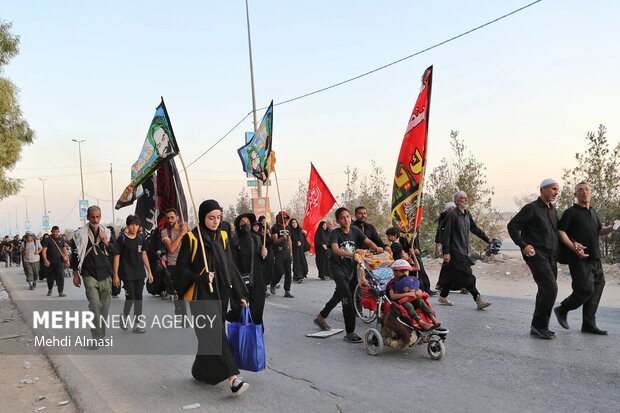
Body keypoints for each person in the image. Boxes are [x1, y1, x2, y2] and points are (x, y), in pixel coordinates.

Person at [174, 199, 250, 396]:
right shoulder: (191, 238)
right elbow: (180, 271)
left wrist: (239, 295)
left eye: (218, 217)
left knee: (209, 335)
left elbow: (229, 266)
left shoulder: (223, 236)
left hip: (220, 292)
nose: (215, 222)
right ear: (202, 218)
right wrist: (200, 277)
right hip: (201, 295)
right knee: (215, 334)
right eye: (211, 218)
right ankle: (233, 378)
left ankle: (200, 371)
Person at [553, 182, 615, 336]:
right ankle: (563, 309)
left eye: (586, 190)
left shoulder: (593, 212)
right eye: (580, 191)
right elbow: (561, 231)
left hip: (595, 257)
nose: (584, 193)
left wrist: (612, 228)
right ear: (575, 195)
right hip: (578, 258)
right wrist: (574, 246)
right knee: (585, 289)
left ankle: (588, 324)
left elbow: (599, 230)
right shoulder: (571, 212)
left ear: (591, 193)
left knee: (597, 288)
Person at [314, 207, 383, 343]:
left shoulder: (355, 230)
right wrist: (353, 254)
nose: (346, 220)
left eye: (348, 217)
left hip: (349, 269)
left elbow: (367, 241)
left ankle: (321, 317)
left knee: (338, 296)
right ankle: (350, 332)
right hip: (337, 269)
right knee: (347, 298)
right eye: (342, 218)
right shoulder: (335, 233)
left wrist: (377, 247)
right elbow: (335, 249)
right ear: (338, 221)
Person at [507, 178, 560, 339]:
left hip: (552, 256)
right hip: (536, 255)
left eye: (557, 190)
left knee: (545, 290)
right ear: (543, 190)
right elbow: (512, 226)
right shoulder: (531, 208)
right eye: (553, 189)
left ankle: (539, 326)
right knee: (551, 288)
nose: (556, 192)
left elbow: (557, 232)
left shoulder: (553, 210)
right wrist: (523, 245)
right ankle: (539, 326)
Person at [70, 206, 116, 346]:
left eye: (97, 217)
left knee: (105, 307)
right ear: (88, 217)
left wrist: (105, 241)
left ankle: (101, 333)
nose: (95, 220)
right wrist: (75, 275)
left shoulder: (107, 232)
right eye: (92, 217)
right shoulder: (79, 234)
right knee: (94, 305)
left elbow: (115, 251)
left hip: (105, 273)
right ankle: (97, 337)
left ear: (100, 216)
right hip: (89, 273)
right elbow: (75, 255)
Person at [439, 191, 492, 309]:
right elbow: (446, 235)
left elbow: (475, 228)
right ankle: (478, 299)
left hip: (463, 250)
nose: (465, 200)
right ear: (457, 201)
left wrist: (487, 239)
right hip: (454, 251)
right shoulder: (452, 215)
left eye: (466, 198)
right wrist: (446, 252)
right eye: (463, 198)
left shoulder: (467, 214)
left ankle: (442, 296)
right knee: (468, 274)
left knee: (453, 275)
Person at [113, 215, 154, 333]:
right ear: (127, 225)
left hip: (140, 273)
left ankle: (136, 324)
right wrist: (116, 275)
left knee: (139, 299)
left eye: (136, 225)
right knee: (130, 298)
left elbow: (144, 255)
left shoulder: (141, 238)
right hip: (127, 274)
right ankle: (124, 317)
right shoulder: (122, 239)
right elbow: (117, 257)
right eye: (132, 224)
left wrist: (149, 271)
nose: (134, 227)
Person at [230, 213, 267, 326]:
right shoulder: (234, 241)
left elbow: (261, 261)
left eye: (247, 223)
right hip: (241, 280)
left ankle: (256, 331)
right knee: (242, 309)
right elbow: (233, 263)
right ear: (238, 225)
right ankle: (243, 336)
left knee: (257, 307)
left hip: (257, 279)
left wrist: (264, 255)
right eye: (242, 223)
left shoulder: (256, 239)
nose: (245, 224)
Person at [387, 259, 440, 330]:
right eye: (401, 271)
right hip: (401, 303)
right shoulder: (392, 283)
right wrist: (408, 293)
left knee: (421, 301)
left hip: (413, 299)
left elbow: (418, 289)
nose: (404, 273)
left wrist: (419, 291)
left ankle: (433, 319)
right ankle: (422, 323)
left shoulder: (410, 280)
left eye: (406, 271)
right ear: (394, 271)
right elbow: (393, 296)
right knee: (408, 305)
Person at [270, 211, 294, 298]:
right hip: (278, 252)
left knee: (288, 272)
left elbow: (289, 240)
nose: (284, 219)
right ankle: (273, 283)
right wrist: (282, 238)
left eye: (286, 218)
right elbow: (275, 241)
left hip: (287, 252)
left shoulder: (288, 227)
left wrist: (291, 252)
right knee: (279, 271)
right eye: (283, 218)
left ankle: (287, 290)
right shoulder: (275, 227)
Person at [41, 226, 69, 297]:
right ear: (51, 231)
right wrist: (45, 260)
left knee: (61, 276)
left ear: (59, 232)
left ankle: (60, 292)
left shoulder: (61, 239)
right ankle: (50, 289)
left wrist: (67, 259)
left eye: (57, 232)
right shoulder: (47, 240)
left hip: (59, 262)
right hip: (50, 262)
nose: (55, 233)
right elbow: (44, 251)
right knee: (50, 277)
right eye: (54, 232)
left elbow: (64, 249)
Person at [288, 218, 309, 283]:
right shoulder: (290, 232)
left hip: (301, 250)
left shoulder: (300, 230)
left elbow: (303, 238)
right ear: (291, 224)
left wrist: (305, 234)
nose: (294, 224)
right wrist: (295, 244)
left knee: (302, 262)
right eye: (293, 223)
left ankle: (301, 275)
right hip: (294, 250)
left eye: (295, 222)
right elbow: (289, 241)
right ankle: (298, 276)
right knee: (297, 263)